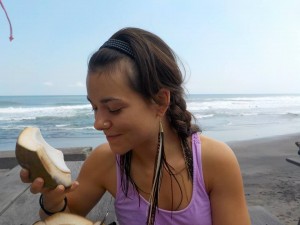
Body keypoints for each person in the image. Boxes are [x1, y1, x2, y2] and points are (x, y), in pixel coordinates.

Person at [20, 27, 251, 225]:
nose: (98, 123)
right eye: (94, 107)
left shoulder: (214, 162)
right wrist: (52, 202)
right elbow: (66, 216)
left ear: (160, 101)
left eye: (114, 109)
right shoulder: (106, 162)